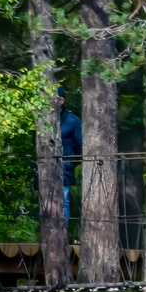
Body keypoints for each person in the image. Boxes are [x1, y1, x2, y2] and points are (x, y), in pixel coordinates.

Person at [58, 92, 82, 223]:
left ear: (62, 100)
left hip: (65, 167)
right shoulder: (44, 120)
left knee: (64, 201)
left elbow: (79, 145)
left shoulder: (73, 121)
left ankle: (63, 231)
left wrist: (71, 162)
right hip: (48, 168)